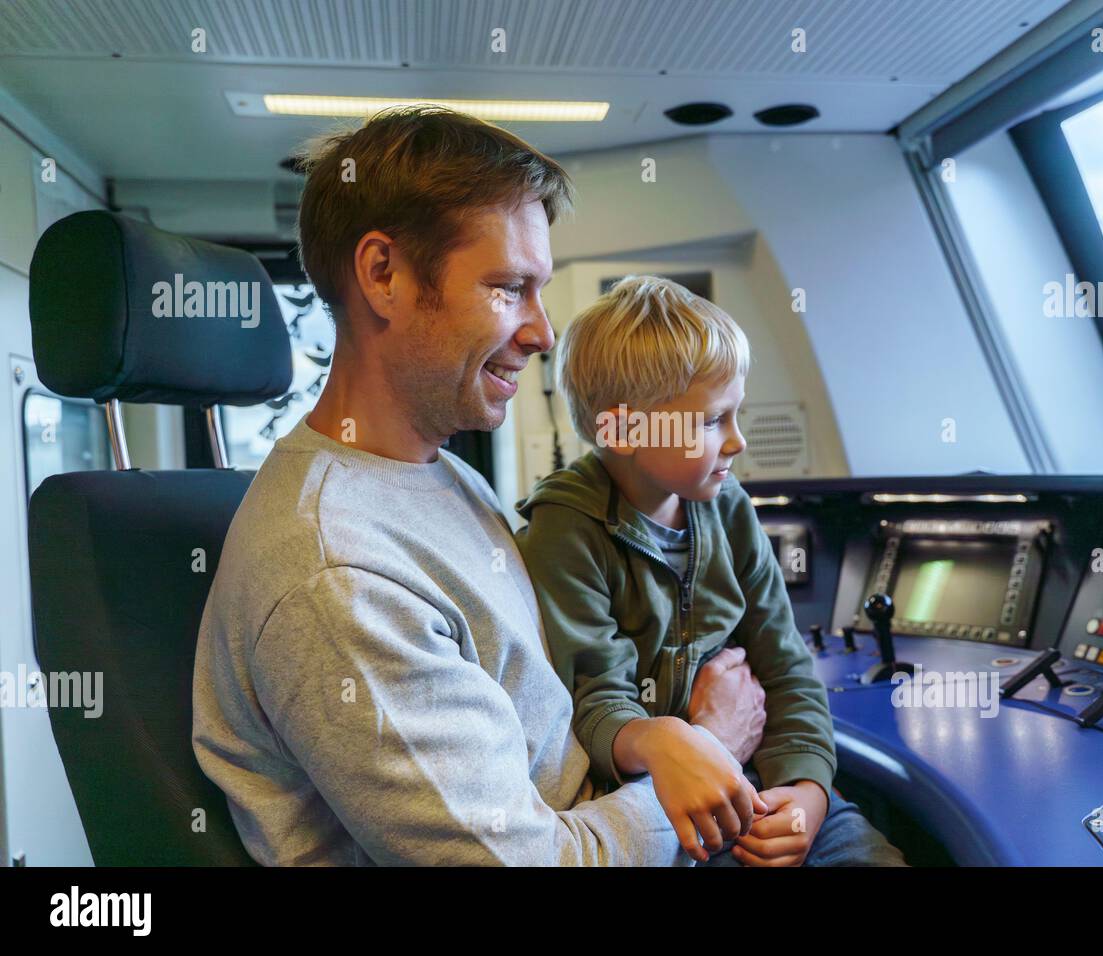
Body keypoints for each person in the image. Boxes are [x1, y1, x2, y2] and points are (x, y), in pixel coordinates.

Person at [191, 107, 768, 865]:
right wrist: (707, 746)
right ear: (383, 275)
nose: (543, 332)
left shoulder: (444, 475)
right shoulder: (335, 574)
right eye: (509, 288)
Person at [514, 276, 906, 867]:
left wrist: (806, 791)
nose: (737, 441)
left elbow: (784, 662)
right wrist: (669, 742)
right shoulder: (566, 533)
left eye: (736, 414)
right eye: (712, 421)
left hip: (762, 779)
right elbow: (595, 702)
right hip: (670, 805)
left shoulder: (729, 508)